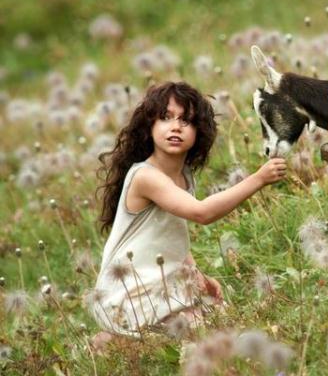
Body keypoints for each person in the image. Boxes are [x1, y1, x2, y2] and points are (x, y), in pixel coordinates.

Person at [89, 81, 286, 346]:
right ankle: (111, 339)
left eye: (186, 121)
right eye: (165, 118)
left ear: (199, 132)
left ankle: (113, 341)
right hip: (129, 290)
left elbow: (171, 234)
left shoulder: (183, 175)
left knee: (222, 317)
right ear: (149, 127)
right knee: (204, 333)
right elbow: (202, 213)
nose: (176, 127)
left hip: (159, 281)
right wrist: (258, 179)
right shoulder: (145, 177)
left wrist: (198, 276)